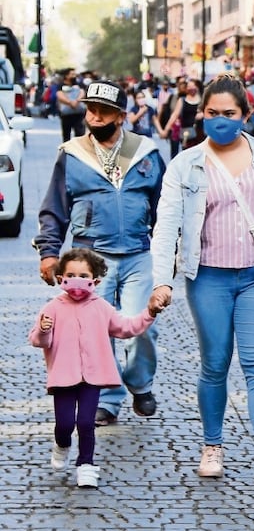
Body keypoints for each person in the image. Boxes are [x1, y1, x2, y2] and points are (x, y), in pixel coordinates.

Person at [148, 74, 254, 486]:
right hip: (208, 279)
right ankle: (212, 445)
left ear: (246, 115)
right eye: (212, 113)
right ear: (202, 114)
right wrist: (162, 279)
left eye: (229, 114)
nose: (220, 120)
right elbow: (166, 225)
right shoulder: (186, 164)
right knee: (216, 363)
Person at [35, 79, 167, 427]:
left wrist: (172, 251)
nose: (94, 117)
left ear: (120, 116)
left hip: (140, 253)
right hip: (91, 259)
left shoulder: (146, 152)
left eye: (103, 112)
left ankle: (140, 384)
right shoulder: (72, 153)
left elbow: (166, 208)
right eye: (90, 110)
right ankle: (108, 399)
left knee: (142, 325)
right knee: (96, 331)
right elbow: (54, 208)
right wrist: (49, 253)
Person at [30, 249, 160, 488]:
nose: (76, 279)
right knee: (65, 424)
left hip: (92, 377)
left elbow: (126, 327)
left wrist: (148, 314)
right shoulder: (52, 308)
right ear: (61, 278)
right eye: (70, 274)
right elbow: (39, 341)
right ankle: (62, 445)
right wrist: (43, 329)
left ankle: (86, 464)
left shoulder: (102, 307)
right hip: (63, 377)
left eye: (83, 275)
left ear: (95, 280)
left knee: (86, 423)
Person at [163, 78, 203, 150]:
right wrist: (166, 129)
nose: (191, 88)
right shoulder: (182, 100)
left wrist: (203, 114)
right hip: (187, 134)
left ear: (197, 87)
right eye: (189, 86)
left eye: (193, 86)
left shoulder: (203, 100)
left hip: (201, 133)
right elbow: (175, 115)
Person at [56, 69, 86, 142]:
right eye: (72, 74)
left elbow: (82, 93)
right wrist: (69, 102)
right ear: (66, 76)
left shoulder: (79, 84)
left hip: (79, 113)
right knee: (66, 135)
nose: (74, 76)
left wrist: (76, 101)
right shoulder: (60, 85)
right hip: (66, 114)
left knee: (80, 133)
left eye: (74, 74)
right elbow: (59, 95)